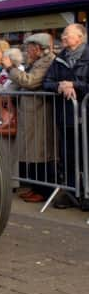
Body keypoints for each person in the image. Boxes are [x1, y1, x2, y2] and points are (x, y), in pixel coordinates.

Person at [0, 33, 56, 203]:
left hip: (40, 113)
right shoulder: (36, 62)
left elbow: (30, 82)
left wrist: (10, 68)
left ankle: (43, 190)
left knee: (41, 152)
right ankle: (34, 187)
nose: (27, 51)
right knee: (32, 151)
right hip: (30, 112)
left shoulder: (47, 61)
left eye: (30, 48)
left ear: (39, 48)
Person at [43, 23, 89, 209]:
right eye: (62, 34)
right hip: (66, 117)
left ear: (80, 37)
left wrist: (74, 85)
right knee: (68, 156)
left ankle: (86, 193)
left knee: (86, 156)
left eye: (67, 34)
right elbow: (47, 82)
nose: (62, 37)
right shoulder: (59, 59)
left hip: (86, 117)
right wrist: (59, 86)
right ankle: (71, 193)